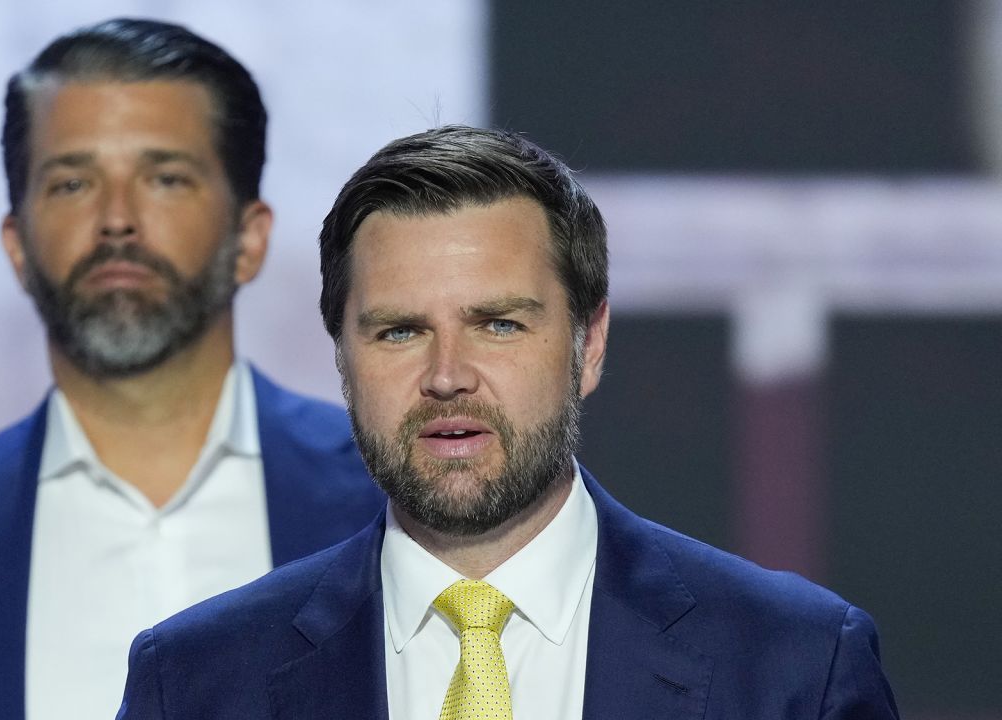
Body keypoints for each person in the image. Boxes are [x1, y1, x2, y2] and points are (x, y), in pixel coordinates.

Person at [116, 125, 900, 719]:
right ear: (341, 358)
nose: (447, 376)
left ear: (589, 346)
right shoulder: (195, 682)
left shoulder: (796, 669)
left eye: (498, 324)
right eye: (399, 331)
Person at [0, 18, 383, 720]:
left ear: (249, 239)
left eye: (165, 178)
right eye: (73, 184)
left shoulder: (392, 499)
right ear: (17, 245)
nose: (117, 220)